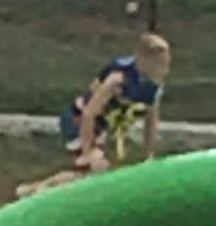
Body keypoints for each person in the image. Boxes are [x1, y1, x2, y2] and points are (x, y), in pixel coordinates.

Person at [61, 28, 169, 171]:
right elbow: (88, 113)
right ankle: (33, 190)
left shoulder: (155, 87)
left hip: (101, 128)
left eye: (166, 64)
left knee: (91, 172)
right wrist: (88, 154)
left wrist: (149, 155)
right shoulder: (118, 79)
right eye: (159, 64)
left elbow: (151, 122)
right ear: (142, 61)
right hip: (78, 121)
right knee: (94, 168)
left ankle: (28, 189)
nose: (164, 69)